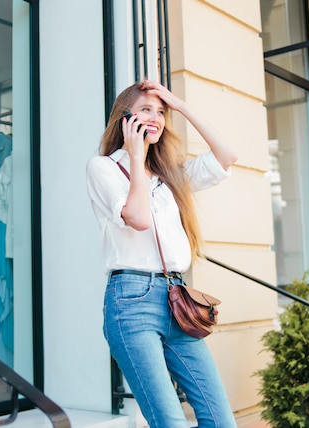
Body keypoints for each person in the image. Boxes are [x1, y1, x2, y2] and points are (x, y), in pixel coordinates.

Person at [85, 79, 238, 428]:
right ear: (125, 119)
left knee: (221, 420)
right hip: (131, 302)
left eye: (160, 112)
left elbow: (227, 156)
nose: (155, 117)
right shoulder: (103, 168)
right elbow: (137, 218)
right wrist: (137, 156)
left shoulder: (172, 174)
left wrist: (180, 105)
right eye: (144, 110)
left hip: (178, 300)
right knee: (170, 422)